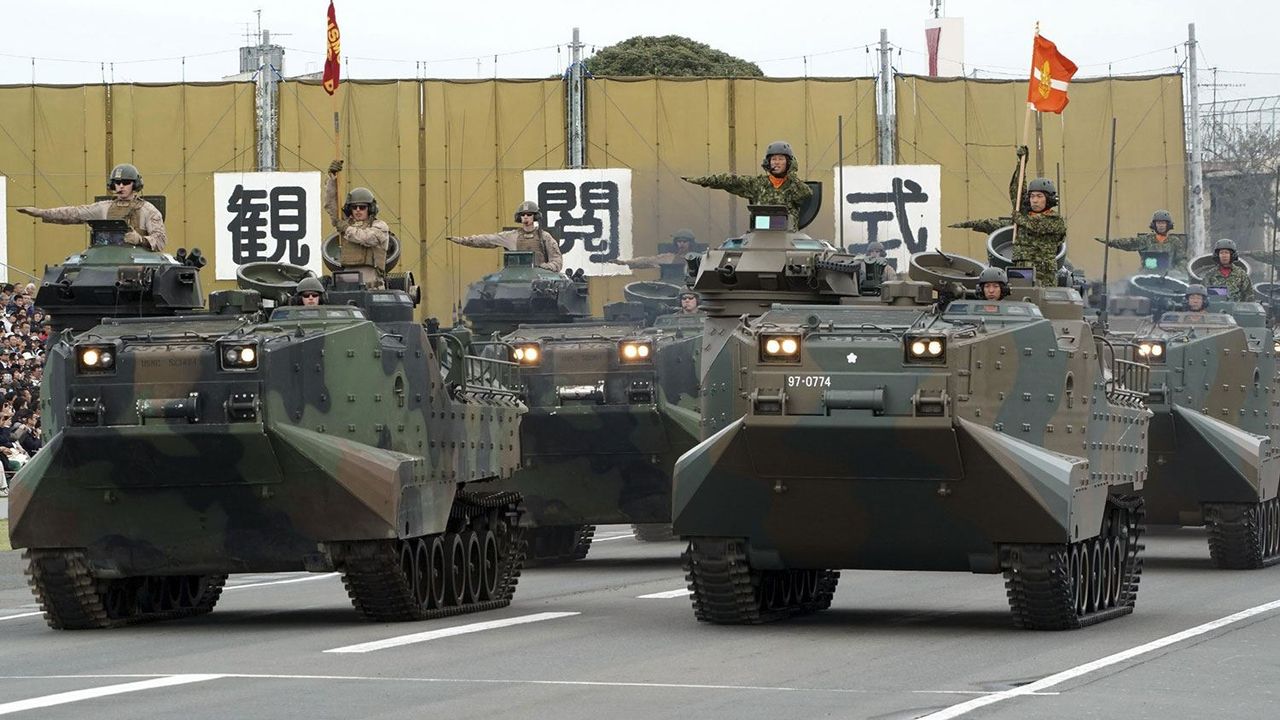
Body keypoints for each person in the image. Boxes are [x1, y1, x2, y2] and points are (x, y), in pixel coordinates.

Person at [950, 146, 1065, 287]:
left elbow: (1037, 225)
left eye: (1039, 196)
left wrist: (1019, 218)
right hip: (1021, 271)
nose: (1034, 200)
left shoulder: (1055, 220)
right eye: (1032, 196)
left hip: (1044, 275)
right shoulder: (1024, 215)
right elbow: (1017, 191)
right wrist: (1021, 163)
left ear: (1049, 199)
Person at [15, 163, 167, 251]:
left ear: (135, 184)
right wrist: (41, 213)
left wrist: (140, 239)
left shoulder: (148, 210)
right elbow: (74, 213)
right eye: (117, 183)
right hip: (104, 259)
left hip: (138, 262)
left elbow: (160, 240)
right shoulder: (103, 208)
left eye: (126, 182)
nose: (120, 186)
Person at [683, 141, 813, 230]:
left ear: (789, 163)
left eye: (781, 159)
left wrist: (791, 173)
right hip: (760, 236)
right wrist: (702, 180)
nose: (777, 163)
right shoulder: (757, 184)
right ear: (768, 162)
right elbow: (729, 180)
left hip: (787, 238)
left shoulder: (794, 186)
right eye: (773, 159)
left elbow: (805, 194)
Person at [324, 160, 391, 287]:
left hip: (372, 282)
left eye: (362, 207)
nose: (358, 210)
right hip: (347, 279)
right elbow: (331, 205)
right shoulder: (346, 224)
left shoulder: (380, 226)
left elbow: (366, 238)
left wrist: (346, 228)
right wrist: (332, 179)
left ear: (370, 208)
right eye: (354, 207)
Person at [448, 201, 563, 271]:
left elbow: (557, 260)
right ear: (519, 217)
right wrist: (462, 240)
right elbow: (487, 239)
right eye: (523, 215)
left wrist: (547, 267)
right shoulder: (511, 236)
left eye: (529, 214)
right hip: (516, 279)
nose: (525, 217)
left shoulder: (544, 237)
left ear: (535, 217)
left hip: (541, 280)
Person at [1094, 209, 1189, 272]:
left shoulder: (1175, 242)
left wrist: (1175, 272)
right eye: (1158, 223)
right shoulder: (1147, 240)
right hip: (1147, 275)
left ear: (1168, 225)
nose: (1161, 226)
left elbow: (1182, 260)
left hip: (1169, 277)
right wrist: (1111, 242)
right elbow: (1130, 243)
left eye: (1163, 223)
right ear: (1154, 225)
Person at [611, 229, 696, 269]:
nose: (681, 244)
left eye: (685, 241)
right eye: (679, 241)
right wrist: (625, 262)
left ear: (690, 243)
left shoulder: (697, 259)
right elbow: (647, 260)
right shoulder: (668, 258)